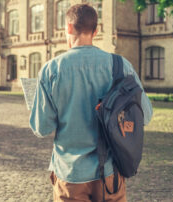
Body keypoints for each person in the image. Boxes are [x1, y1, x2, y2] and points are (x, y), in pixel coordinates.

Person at [29, 3, 153, 202]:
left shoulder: (51, 70)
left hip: (71, 174)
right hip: (111, 174)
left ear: (68, 28)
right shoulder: (121, 66)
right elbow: (145, 115)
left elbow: (42, 128)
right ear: (95, 31)